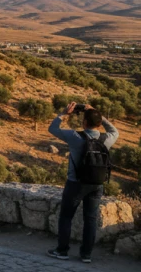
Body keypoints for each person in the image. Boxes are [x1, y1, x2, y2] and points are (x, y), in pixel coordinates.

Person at [47, 102, 119, 263]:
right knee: (90, 218)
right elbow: (115, 131)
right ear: (99, 123)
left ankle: (62, 250)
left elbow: (52, 128)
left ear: (84, 122)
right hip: (97, 184)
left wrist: (65, 113)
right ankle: (86, 254)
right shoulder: (106, 139)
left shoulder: (75, 137)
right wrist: (97, 113)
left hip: (75, 183)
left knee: (66, 217)